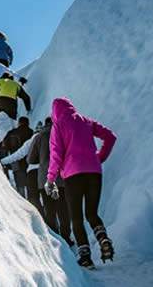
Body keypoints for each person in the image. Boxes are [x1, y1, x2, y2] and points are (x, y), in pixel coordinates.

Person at [45, 98, 117, 268]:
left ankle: (85, 256)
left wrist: (50, 178)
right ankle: (103, 238)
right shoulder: (86, 121)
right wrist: (99, 158)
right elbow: (110, 137)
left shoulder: (59, 125)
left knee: (76, 217)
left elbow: (56, 154)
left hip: (73, 175)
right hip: (94, 173)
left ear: (55, 111)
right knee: (92, 213)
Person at [29, 117, 73, 247]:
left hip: (45, 178)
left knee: (50, 209)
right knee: (64, 209)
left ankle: (55, 239)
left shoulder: (39, 136)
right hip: (62, 177)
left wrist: (42, 159)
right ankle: (66, 237)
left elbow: (30, 159)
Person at [0, 117, 35, 198]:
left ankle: (23, 203)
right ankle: (32, 203)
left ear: (19, 123)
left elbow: (4, 147)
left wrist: (5, 163)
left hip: (16, 163)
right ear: (28, 123)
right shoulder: (32, 133)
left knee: (20, 185)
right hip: (29, 162)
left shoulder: (11, 133)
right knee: (30, 186)